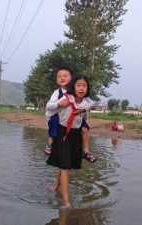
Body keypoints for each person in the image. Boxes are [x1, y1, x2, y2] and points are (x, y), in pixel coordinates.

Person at [46, 74, 92, 208]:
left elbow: (89, 110)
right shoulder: (66, 98)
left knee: (67, 166)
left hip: (75, 134)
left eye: (84, 85)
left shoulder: (86, 103)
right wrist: (59, 104)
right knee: (65, 167)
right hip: (63, 133)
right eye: (78, 85)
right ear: (73, 86)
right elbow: (50, 107)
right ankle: (66, 202)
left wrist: (84, 109)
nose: (81, 88)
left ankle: (56, 187)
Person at [44, 67, 96, 163]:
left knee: (84, 129)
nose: (62, 78)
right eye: (59, 76)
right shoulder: (58, 93)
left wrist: (83, 109)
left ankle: (86, 151)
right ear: (56, 80)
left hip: (77, 119)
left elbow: (91, 103)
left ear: (72, 78)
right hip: (60, 118)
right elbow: (48, 106)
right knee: (54, 122)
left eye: (65, 76)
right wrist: (59, 104)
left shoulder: (79, 91)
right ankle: (50, 143)